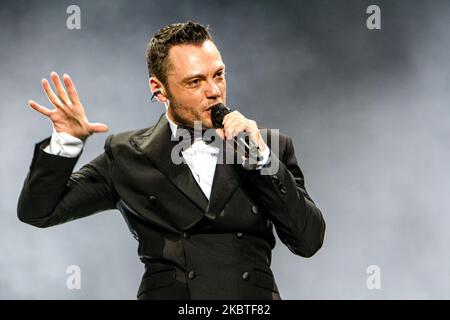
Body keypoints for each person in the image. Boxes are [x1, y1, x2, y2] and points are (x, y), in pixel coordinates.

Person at [17, 21, 325, 300]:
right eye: (195, 82)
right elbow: (39, 212)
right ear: (159, 89)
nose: (214, 91)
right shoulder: (127, 154)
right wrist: (67, 142)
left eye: (218, 75)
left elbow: (308, 241)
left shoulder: (269, 147)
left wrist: (262, 160)